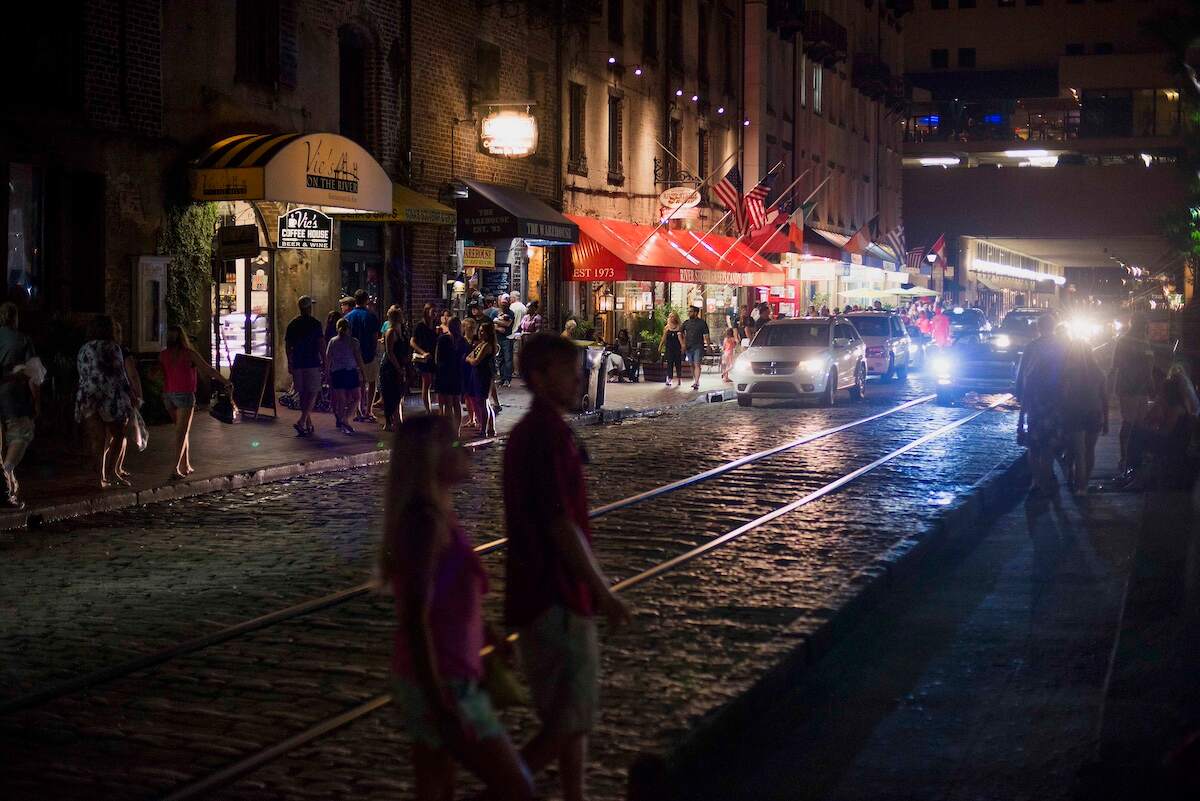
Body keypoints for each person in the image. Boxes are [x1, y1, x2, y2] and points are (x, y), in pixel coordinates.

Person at [502, 334, 631, 801]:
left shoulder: (534, 432)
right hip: (555, 596)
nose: (581, 377)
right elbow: (561, 525)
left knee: (570, 720)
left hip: (549, 595)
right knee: (566, 722)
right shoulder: (546, 436)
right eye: (569, 369)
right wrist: (604, 592)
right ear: (540, 377)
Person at [380, 415, 534, 801]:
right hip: (444, 682)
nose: (466, 450)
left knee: (436, 787)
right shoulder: (425, 524)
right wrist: (439, 701)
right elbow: (415, 618)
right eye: (454, 445)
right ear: (430, 459)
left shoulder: (440, 515)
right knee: (516, 786)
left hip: (447, 674)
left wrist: (489, 636)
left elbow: (448, 597)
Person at [159, 325, 230, 481]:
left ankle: (186, 464)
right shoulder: (189, 354)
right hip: (184, 395)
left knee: (181, 430)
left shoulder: (163, 355)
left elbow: (157, 373)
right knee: (181, 432)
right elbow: (207, 369)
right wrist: (225, 381)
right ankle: (175, 468)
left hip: (168, 396)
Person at [77, 316, 135, 489]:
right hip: (110, 397)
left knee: (98, 439)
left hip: (88, 396)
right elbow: (118, 373)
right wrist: (130, 393)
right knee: (118, 435)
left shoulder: (84, 348)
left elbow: (81, 372)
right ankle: (110, 473)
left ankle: (98, 477)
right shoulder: (112, 347)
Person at [1016, 315, 1067, 494]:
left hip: (1035, 401)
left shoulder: (1032, 346)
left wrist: (1021, 396)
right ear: (1053, 327)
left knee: (1034, 445)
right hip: (1055, 401)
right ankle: (1045, 479)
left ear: (1039, 328)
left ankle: (1037, 480)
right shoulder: (1063, 346)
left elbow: (1022, 373)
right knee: (1048, 444)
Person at [0, 302, 40, 507]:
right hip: (13, 394)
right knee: (21, 433)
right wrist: (36, 400)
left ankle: (6, 481)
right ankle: (6, 473)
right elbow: (34, 373)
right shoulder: (22, 340)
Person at [1059, 342, 1109, 497]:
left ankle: (1079, 485)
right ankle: (1084, 484)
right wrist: (1106, 420)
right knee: (1089, 450)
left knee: (1079, 451)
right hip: (1094, 413)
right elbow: (1104, 398)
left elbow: (1064, 395)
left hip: (1075, 412)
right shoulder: (1099, 372)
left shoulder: (1068, 371)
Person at [1110, 312, 1155, 476]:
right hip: (1131, 388)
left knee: (1135, 424)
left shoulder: (1132, 340)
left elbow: (1116, 365)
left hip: (1135, 388)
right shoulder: (1132, 341)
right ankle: (1127, 459)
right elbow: (1120, 365)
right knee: (1131, 424)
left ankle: (1131, 458)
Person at [285, 295, 326, 437]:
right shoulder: (315, 324)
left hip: (297, 362)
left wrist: (289, 362)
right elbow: (321, 345)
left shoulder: (292, 324)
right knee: (313, 392)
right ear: (309, 308)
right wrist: (325, 362)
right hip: (312, 362)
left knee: (302, 393)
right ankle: (302, 420)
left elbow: (287, 346)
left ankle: (307, 422)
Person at [344, 289, 381, 424]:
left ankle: (358, 410)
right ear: (366, 300)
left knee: (358, 384)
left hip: (353, 356)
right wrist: (373, 350)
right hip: (367, 355)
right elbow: (374, 337)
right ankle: (368, 410)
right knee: (371, 383)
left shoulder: (348, 317)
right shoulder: (371, 316)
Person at [112, 321, 142, 483]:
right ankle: (114, 469)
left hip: (101, 398)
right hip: (121, 398)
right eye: (117, 331)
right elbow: (133, 375)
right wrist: (138, 395)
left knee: (110, 437)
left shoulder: (94, 349)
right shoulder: (122, 351)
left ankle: (113, 469)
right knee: (120, 435)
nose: (120, 335)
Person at [326, 318, 366, 434]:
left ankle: (341, 420)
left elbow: (328, 358)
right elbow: (359, 359)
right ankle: (346, 419)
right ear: (349, 328)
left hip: (337, 372)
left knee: (341, 400)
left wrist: (327, 373)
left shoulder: (332, 341)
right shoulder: (354, 342)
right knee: (357, 397)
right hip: (350, 372)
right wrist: (363, 373)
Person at [379, 307, 411, 432]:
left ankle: (397, 419)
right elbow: (390, 352)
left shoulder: (400, 331)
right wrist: (398, 367)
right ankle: (388, 421)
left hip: (398, 364)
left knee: (398, 393)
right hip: (390, 367)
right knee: (390, 393)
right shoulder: (391, 332)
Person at [467, 321, 499, 437]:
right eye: (479, 330)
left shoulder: (487, 346)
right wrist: (470, 359)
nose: (480, 333)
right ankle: (490, 428)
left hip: (484, 375)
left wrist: (470, 360)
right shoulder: (481, 344)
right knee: (483, 402)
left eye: (482, 331)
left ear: (488, 333)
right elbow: (469, 356)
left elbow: (475, 360)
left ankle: (484, 430)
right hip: (478, 374)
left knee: (483, 402)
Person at [434, 316, 466, 433]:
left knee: (448, 403)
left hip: (445, 373)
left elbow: (437, 358)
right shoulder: (463, 341)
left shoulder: (443, 339)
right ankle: (456, 430)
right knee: (456, 402)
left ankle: (449, 430)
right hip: (457, 373)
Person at [411, 303, 439, 413]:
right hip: (424, 357)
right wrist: (423, 352)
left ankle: (435, 406)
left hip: (433, 356)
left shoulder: (436, 325)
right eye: (433, 311)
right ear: (427, 312)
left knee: (431, 381)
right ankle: (428, 409)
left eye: (436, 312)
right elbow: (412, 342)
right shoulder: (420, 326)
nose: (435, 314)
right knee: (426, 381)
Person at [681, 305, 711, 391]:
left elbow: (706, 335)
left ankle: (697, 382)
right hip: (688, 346)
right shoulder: (686, 323)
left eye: (690, 311)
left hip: (698, 346)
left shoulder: (702, 323)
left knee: (697, 363)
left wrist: (708, 346)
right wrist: (683, 343)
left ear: (696, 313)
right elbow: (680, 332)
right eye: (689, 311)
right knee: (691, 364)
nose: (689, 313)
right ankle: (695, 380)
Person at [461, 318, 479, 430]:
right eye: (468, 327)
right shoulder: (461, 340)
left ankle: (478, 417)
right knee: (467, 395)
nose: (470, 329)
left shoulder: (477, 339)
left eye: (472, 327)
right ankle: (471, 419)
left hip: (474, 369)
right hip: (464, 369)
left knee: (475, 395)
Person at [495, 296, 516, 387]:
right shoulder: (498, 312)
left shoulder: (510, 313)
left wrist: (497, 321)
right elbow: (493, 323)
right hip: (498, 338)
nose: (503, 305)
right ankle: (502, 378)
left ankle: (507, 378)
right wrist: (498, 326)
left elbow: (507, 324)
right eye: (502, 303)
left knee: (507, 359)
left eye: (505, 303)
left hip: (507, 338)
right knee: (500, 358)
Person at [660, 311, 684, 387]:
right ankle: (669, 378)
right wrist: (660, 346)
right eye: (670, 316)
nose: (671, 318)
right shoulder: (667, 327)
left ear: (676, 318)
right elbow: (663, 337)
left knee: (678, 363)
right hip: (669, 347)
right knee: (670, 363)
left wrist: (683, 346)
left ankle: (679, 378)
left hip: (677, 347)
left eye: (673, 316)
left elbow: (682, 338)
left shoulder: (679, 327)